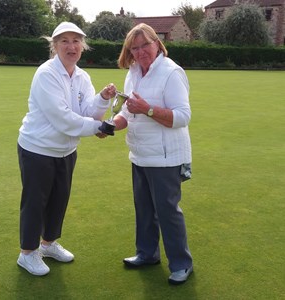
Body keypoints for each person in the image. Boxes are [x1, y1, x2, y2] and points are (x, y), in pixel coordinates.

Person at [17, 22, 116, 276]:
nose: (71, 46)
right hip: (38, 148)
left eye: (76, 41)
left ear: (82, 45)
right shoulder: (46, 73)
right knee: (35, 202)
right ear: (55, 46)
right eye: (64, 41)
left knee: (59, 198)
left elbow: (86, 112)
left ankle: (48, 244)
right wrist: (98, 127)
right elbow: (62, 118)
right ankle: (27, 254)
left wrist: (103, 98)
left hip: (66, 150)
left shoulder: (82, 76)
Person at [112, 23, 193, 285]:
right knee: (144, 209)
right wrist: (111, 125)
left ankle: (181, 264)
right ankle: (147, 254)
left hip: (166, 157)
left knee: (167, 211)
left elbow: (182, 116)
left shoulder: (171, 72)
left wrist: (147, 109)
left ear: (157, 43)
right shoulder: (133, 72)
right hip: (140, 153)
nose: (140, 51)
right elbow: (126, 111)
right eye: (134, 48)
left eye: (145, 45)